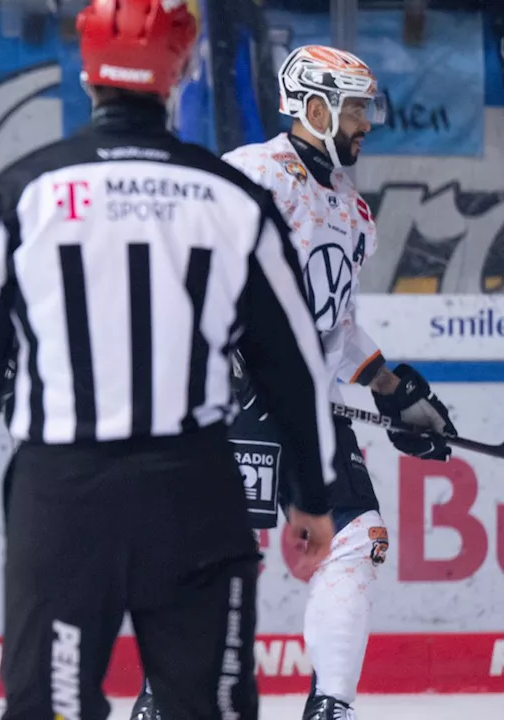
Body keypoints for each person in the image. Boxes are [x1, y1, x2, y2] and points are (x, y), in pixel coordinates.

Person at [0, 1, 341, 718]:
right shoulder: (233, 199)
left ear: (89, 75)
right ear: (179, 74)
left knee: (50, 707)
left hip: (64, 495)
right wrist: (312, 494)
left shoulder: (27, 192)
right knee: (202, 707)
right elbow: (295, 367)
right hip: (195, 493)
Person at [136, 44, 454, 720]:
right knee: (222, 561)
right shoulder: (251, 175)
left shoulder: (352, 211)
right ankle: (165, 696)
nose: (367, 122)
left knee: (358, 538)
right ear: (315, 108)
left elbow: (336, 328)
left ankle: (330, 706)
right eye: (355, 108)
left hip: (310, 404)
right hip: (234, 397)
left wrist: (393, 392)